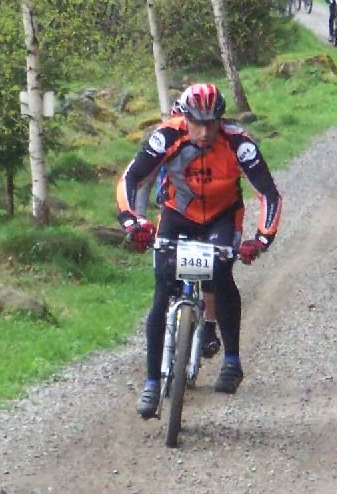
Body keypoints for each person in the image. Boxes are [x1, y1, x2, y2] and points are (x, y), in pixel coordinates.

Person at [116, 83, 282, 418]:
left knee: (221, 275)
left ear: (222, 119)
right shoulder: (167, 137)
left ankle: (232, 362)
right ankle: (151, 383)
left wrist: (261, 239)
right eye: (197, 123)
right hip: (178, 214)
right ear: (184, 117)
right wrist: (133, 221)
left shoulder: (239, 143)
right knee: (162, 289)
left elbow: (269, 194)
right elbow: (130, 180)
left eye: (212, 123)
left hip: (222, 216)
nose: (204, 132)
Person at [116, 93, 223, 362]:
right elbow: (142, 183)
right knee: (165, 277)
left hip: (204, 212)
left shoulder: (205, 144)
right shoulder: (165, 142)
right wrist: (138, 221)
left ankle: (209, 325)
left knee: (208, 269)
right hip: (172, 209)